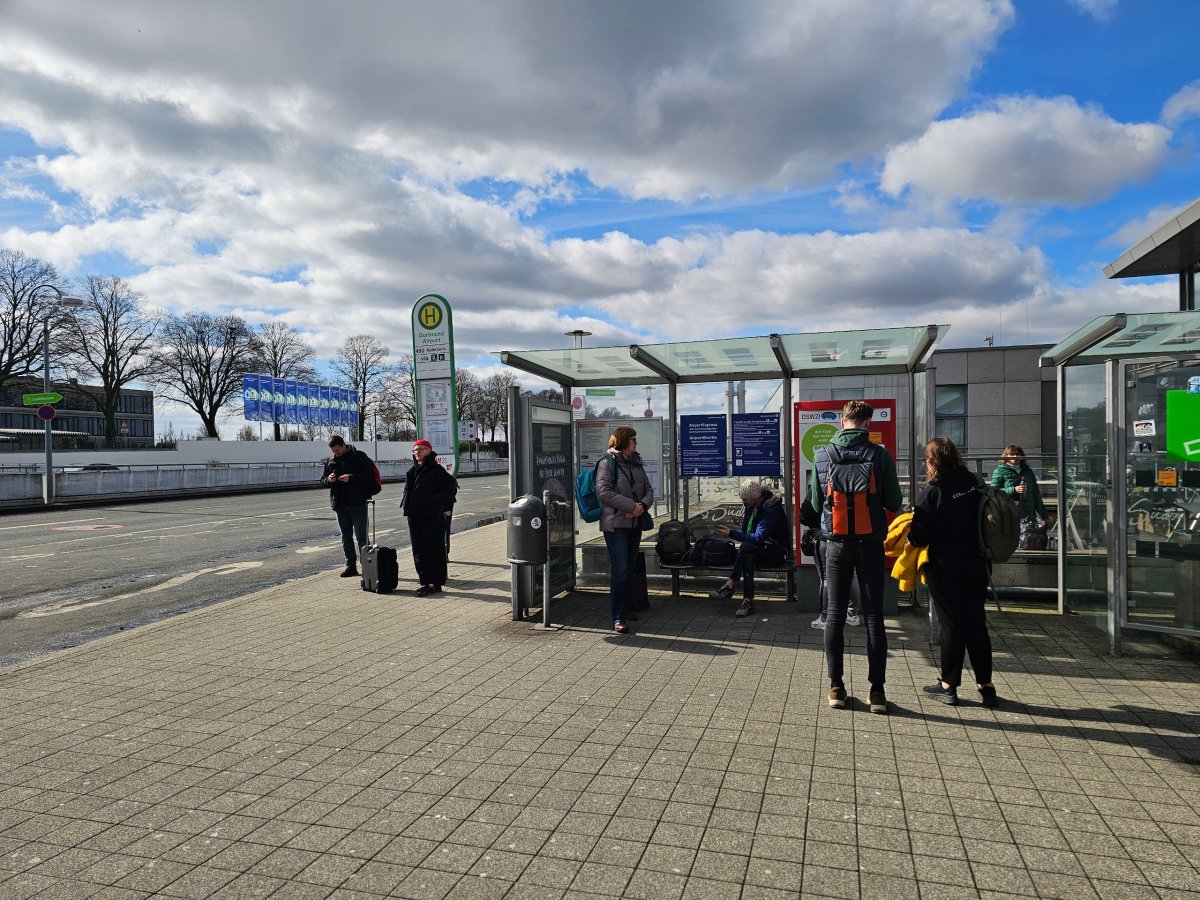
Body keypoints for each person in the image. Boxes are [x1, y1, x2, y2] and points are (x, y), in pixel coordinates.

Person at [810, 400, 902, 714]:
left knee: (835, 614)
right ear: (867, 423)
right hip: (870, 543)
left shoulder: (823, 455)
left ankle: (836, 688)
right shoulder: (880, 455)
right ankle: (877, 692)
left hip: (836, 545)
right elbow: (894, 501)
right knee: (874, 617)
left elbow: (815, 503)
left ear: (842, 422)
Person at [909, 437, 999, 707]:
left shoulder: (933, 493)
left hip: (945, 566)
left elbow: (919, 538)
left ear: (932, 462)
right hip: (977, 563)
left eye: (927, 459)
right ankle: (986, 686)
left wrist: (913, 521)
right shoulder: (974, 483)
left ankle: (948, 685)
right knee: (976, 622)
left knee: (952, 625)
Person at [596, 426, 653, 634]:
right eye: (633, 439)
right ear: (622, 441)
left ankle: (626, 607)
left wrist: (641, 507)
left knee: (628, 568)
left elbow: (648, 490)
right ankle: (617, 617)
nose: (636, 443)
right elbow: (604, 492)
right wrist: (631, 507)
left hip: (634, 523)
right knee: (620, 569)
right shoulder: (607, 463)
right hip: (616, 524)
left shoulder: (637, 463)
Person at [708, 480, 789, 618]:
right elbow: (746, 531)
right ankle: (747, 601)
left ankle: (730, 585)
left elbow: (758, 537)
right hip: (758, 549)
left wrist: (731, 533)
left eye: (746, 500)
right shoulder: (752, 506)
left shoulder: (771, 510)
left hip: (778, 552)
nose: (744, 503)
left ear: (757, 498)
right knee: (748, 555)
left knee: (747, 547)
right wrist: (747, 513)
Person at [402, 439, 458, 596]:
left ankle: (435, 582)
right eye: (415, 450)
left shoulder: (436, 470)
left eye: (421, 449)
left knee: (434, 549)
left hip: (431, 516)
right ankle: (426, 581)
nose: (417, 452)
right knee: (418, 550)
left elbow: (449, 491)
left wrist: (430, 502)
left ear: (429, 451)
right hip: (414, 515)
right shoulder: (412, 471)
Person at [322, 434, 377, 577]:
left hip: (358, 502)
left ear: (343, 445)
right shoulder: (330, 461)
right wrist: (329, 479)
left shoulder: (359, 456)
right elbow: (323, 480)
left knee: (362, 537)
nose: (336, 453)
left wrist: (351, 478)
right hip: (340, 503)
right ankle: (350, 566)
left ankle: (367, 567)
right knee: (345, 537)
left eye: (337, 450)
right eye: (333, 451)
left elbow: (369, 477)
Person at [990, 445, 1053, 549]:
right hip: (1010, 510)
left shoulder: (1028, 471)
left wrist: (1044, 515)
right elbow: (994, 491)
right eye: (1012, 454)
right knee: (1011, 537)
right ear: (1006, 456)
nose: (1015, 457)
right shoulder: (999, 471)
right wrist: (1013, 489)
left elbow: (1036, 495)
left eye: (1017, 454)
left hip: (1028, 511)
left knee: (1027, 539)